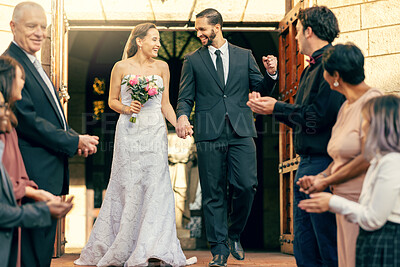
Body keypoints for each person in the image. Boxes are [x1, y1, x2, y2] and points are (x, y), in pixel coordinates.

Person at [75, 23, 196, 267]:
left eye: (159, 40)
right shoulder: (121, 67)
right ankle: (124, 245)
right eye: (153, 39)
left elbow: (166, 105)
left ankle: (155, 246)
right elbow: (111, 101)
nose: (158, 44)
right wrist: (126, 108)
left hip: (155, 131)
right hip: (129, 130)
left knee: (156, 185)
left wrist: (180, 125)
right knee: (128, 183)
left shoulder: (162, 67)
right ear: (139, 41)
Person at [176, 8, 278, 267]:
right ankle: (219, 249)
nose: (198, 33)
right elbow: (185, 96)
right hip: (208, 132)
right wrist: (183, 116)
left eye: (202, 29)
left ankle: (234, 233)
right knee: (213, 192)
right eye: (197, 30)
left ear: (217, 27)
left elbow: (261, 87)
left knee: (246, 184)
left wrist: (271, 73)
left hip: (241, 129)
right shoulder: (192, 60)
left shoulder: (244, 56)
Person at [3, 2, 99, 266]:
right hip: (30, 174)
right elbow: (29, 121)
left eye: (43, 27)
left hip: (47, 172)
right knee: (28, 255)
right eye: (31, 26)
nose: (39, 33)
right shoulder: (9, 65)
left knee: (40, 253)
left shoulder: (33, 63)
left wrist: (74, 138)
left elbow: (49, 116)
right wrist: (72, 140)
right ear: (13, 27)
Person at [247, 6, 344, 267]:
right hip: (306, 163)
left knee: (326, 245)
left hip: (323, 164)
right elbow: (304, 116)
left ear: (309, 31)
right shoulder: (307, 70)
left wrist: (276, 108)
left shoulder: (333, 66)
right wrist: (272, 108)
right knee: (304, 246)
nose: (296, 37)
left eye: (299, 31)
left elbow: (318, 117)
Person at [296, 43, 382, 267]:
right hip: (341, 201)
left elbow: (367, 156)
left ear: (335, 76)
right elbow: (339, 158)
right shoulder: (346, 107)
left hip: (362, 202)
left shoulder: (373, 103)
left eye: (324, 70)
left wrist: (327, 181)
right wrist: (320, 177)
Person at [298, 94, 400, 267]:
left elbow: (374, 218)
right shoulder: (378, 161)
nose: (363, 127)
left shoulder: (391, 162)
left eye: (367, 121)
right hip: (373, 241)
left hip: (386, 242)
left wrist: (332, 202)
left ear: (381, 126)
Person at [0, 90, 74, 267]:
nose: (7, 111)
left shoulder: (8, 134)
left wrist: (36, 194)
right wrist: (44, 211)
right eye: (2, 107)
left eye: (5, 106)